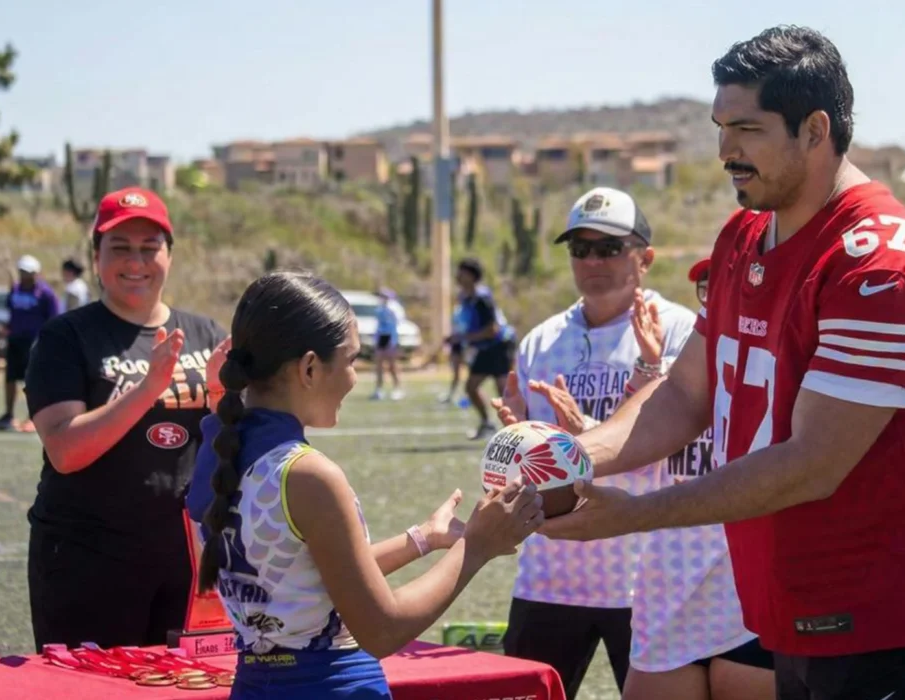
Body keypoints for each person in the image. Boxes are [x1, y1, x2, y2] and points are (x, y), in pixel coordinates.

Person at [538, 25, 905, 700]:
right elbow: (686, 393)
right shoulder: (745, 233)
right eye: (721, 127)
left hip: (887, 617)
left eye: (747, 128)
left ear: (815, 129)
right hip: (786, 604)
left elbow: (811, 464)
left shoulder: (879, 264)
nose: (725, 151)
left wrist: (631, 514)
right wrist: (572, 456)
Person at [186, 271, 542, 699]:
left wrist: (422, 539)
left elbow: (307, 572)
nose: (355, 378)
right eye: (352, 360)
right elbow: (382, 630)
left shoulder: (218, 450)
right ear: (310, 368)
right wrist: (478, 545)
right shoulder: (308, 475)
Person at [492, 188, 773, 699]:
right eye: (580, 248)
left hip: (641, 576)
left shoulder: (685, 331)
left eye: (608, 247)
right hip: (551, 573)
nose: (593, 260)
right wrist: (517, 439)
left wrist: (589, 434)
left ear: (645, 258)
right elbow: (538, 456)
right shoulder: (540, 339)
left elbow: (688, 445)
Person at [23, 186, 230, 651]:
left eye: (149, 249)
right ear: (96, 256)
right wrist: (148, 388)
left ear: (169, 256)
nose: (135, 262)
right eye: (120, 248)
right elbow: (65, 452)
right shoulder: (66, 337)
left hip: (187, 562)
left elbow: (229, 437)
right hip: (88, 558)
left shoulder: (205, 333)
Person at [0, 255, 60, 430]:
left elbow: (54, 319)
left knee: (33, 381)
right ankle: (8, 415)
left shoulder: (45, 294)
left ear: (36, 273)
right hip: (15, 340)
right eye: (22, 272)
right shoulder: (15, 290)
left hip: (35, 343)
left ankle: (33, 417)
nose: (24, 276)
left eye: (28, 272)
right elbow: (10, 312)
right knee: (10, 378)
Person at [449, 258, 514, 439]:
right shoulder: (465, 298)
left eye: (461, 272)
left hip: (499, 346)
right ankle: (487, 424)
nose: (458, 276)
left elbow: (492, 329)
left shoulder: (482, 298)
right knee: (471, 387)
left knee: (504, 391)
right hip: (484, 348)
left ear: (471, 276)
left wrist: (464, 338)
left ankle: (517, 430)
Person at [371, 287, 404, 401]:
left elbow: (398, 323)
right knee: (379, 365)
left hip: (390, 337)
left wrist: (394, 340)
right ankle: (378, 389)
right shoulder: (379, 309)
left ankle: (397, 388)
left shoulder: (394, 309)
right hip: (381, 337)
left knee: (392, 365)